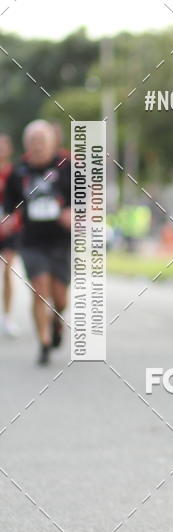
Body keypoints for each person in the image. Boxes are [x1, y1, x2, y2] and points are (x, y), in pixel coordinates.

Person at [4, 120, 71, 365]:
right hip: (32, 241)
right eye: (33, 141)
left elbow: (86, 200)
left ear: (52, 143)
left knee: (60, 298)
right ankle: (43, 342)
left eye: (42, 141)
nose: (38, 146)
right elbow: (9, 207)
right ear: (26, 145)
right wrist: (9, 219)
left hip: (61, 241)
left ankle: (56, 320)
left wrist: (73, 213)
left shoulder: (67, 167)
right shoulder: (18, 172)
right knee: (39, 289)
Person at [0, 134, 20, 337]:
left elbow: (21, 201)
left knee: (7, 269)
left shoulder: (14, 173)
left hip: (8, 230)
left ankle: (7, 316)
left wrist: (13, 218)